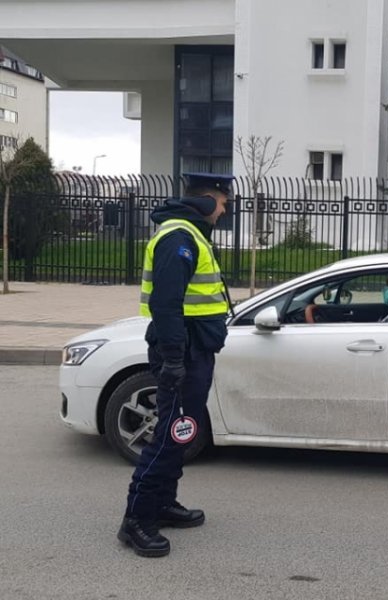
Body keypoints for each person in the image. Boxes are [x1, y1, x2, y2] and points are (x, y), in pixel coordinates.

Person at [118, 172, 234, 558]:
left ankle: (163, 503)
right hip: (181, 352)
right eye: (221, 203)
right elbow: (165, 306)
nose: (223, 212)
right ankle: (137, 519)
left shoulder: (190, 234)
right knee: (169, 435)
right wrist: (172, 360)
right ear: (205, 201)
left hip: (193, 350)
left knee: (181, 433)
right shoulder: (178, 238)